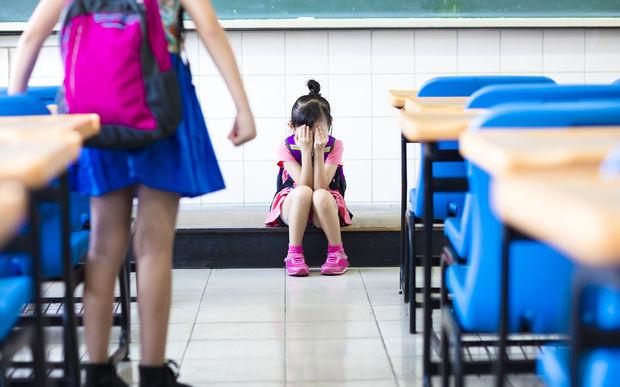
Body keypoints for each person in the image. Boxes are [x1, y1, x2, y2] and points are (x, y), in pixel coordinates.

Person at [10, 0, 256, 385]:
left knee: (103, 245)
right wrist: (243, 108)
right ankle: (153, 374)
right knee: (154, 244)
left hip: (97, 112)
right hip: (163, 107)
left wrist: (16, 110)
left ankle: (96, 371)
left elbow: (30, 37)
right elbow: (210, 29)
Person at [265, 80, 352, 277]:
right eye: (307, 129)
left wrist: (319, 151)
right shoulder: (286, 146)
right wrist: (306, 151)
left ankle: (337, 253)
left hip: (324, 207)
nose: (313, 136)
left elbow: (321, 186)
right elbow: (304, 186)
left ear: (329, 125)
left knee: (320, 194)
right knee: (304, 191)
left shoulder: (334, 145)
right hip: (295, 203)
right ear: (292, 127)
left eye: (320, 129)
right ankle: (294, 254)